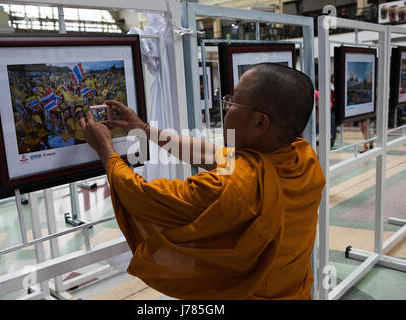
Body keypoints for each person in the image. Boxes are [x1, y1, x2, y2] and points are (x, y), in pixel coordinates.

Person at [80, 63, 325, 300]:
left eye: (233, 101)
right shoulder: (303, 158)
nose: (227, 108)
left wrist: (105, 148)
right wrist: (144, 129)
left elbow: (141, 194)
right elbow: (211, 155)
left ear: (260, 122)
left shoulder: (227, 187)